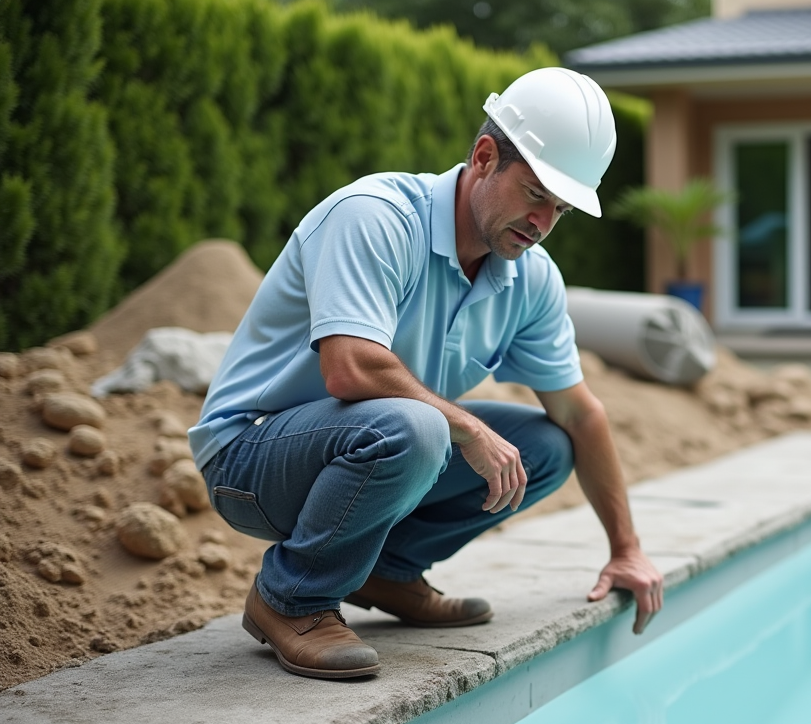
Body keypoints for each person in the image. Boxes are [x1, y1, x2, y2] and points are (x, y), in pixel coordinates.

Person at [189, 67, 664, 680]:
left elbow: (579, 412)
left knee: (544, 445)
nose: (544, 221)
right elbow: (349, 367)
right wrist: (466, 425)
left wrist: (627, 550)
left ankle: (388, 570)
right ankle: (292, 599)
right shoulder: (377, 217)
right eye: (537, 194)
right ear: (486, 157)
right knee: (420, 428)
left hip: (369, 446)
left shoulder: (531, 276)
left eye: (561, 208)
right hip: (249, 459)